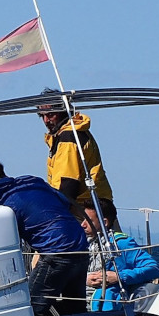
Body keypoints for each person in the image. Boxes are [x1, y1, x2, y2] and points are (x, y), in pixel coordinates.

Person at [0, 157, 89, 316]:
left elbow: (2, 244)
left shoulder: (2, 208)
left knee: (29, 311)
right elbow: (64, 201)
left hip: (56, 252)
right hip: (80, 245)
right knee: (76, 307)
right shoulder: (32, 181)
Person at [37, 89, 120, 232]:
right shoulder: (74, 132)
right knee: (113, 249)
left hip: (85, 211)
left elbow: (69, 184)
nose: (46, 121)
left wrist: (53, 217)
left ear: (63, 111)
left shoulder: (68, 138)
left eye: (50, 115)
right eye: (42, 116)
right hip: (100, 205)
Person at [83, 217, 159, 312]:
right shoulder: (79, 243)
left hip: (102, 308)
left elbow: (153, 269)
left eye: (88, 220)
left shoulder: (121, 243)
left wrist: (118, 276)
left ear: (104, 222)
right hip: (77, 300)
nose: (83, 225)